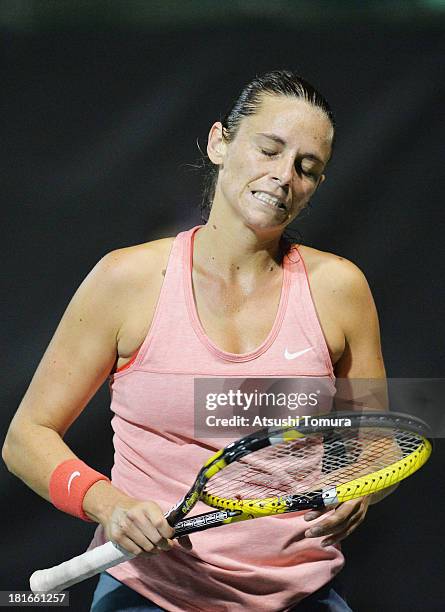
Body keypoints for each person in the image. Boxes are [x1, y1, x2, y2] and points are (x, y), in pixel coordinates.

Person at [3, 70, 387, 611]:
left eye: (307, 167)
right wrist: (110, 505)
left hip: (306, 594)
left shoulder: (342, 289)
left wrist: (364, 487)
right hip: (149, 594)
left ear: (317, 185)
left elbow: (379, 443)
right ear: (218, 142)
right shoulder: (125, 280)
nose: (283, 176)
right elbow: (25, 438)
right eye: (269, 149)